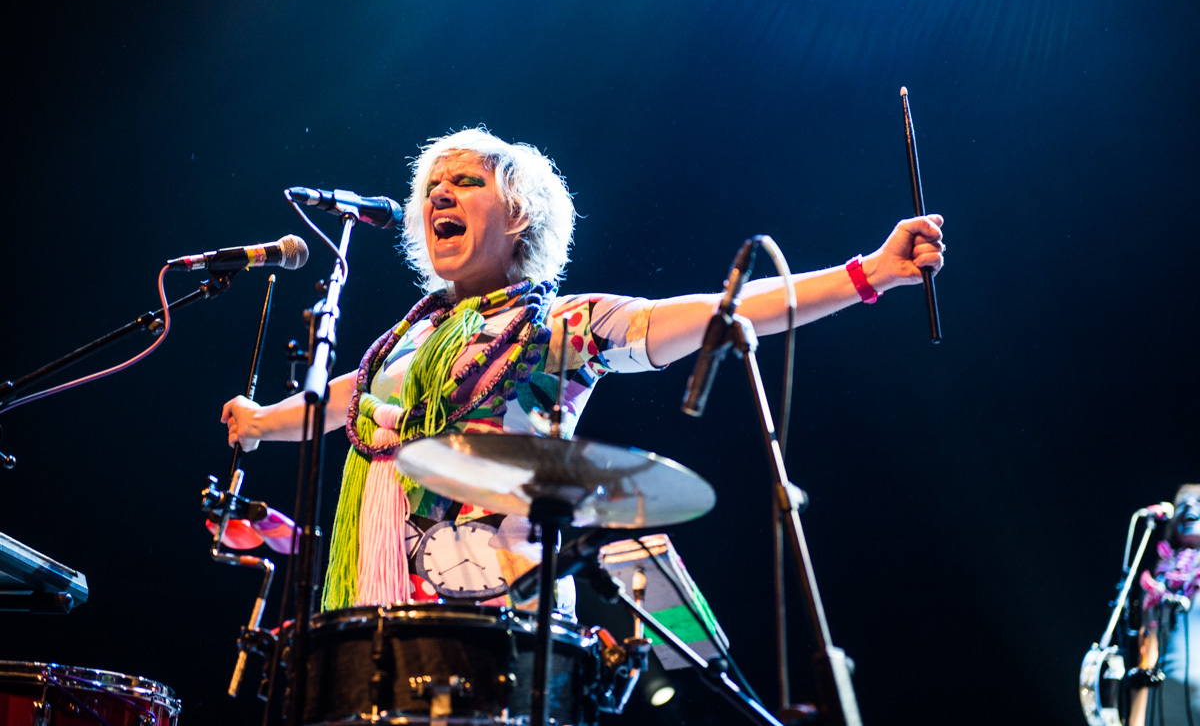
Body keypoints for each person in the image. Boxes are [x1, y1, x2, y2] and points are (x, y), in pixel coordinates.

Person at [221, 127, 945, 614]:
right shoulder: (407, 341)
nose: (439, 193)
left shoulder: (560, 326)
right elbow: (349, 397)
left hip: (499, 608)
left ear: (521, 216)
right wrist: (261, 421)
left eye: (465, 181)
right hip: (381, 605)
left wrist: (867, 272)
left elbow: (713, 312)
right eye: (431, 186)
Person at [1130, 485, 1200, 726]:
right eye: (1183, 504)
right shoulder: (1157, 583)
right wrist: (1136, 719)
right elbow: (1145, 657)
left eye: (1199, 501)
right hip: (1159, 707)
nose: (1190, 507)